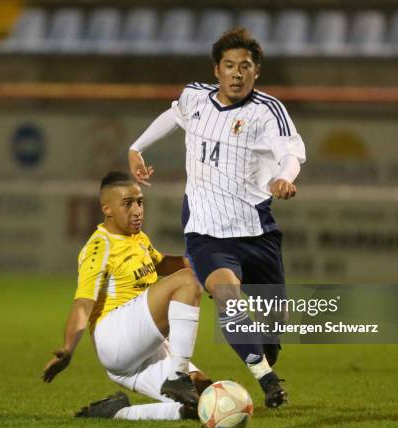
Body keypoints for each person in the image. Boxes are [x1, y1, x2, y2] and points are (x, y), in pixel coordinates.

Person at [128, 28, 306, 408]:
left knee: (273, 330)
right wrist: (137, 147)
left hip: (257, 231)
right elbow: (171, 115)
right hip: (206, 232)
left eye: (245, 66)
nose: (237, 73)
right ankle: (268, 382)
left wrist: (283, 177)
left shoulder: (268, 111)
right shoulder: (195, 97)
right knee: (227, 296)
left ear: (256, 72)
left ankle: (264, 357)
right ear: (217, 69)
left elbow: (291, 153)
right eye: (229, 66)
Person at [42, 171, 211, 420]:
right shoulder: (100, 247)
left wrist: (209, 263)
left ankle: (118, 412)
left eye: (140, 202)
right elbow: (83, 303)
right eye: (128, 203)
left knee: (209, 401)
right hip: (116, 338)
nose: (137, 210)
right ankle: (178, 375)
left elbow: (161, 263)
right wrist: (68, 349)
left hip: (145, 345)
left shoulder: (138, 239)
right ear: (107, 209)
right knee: (189, 280)